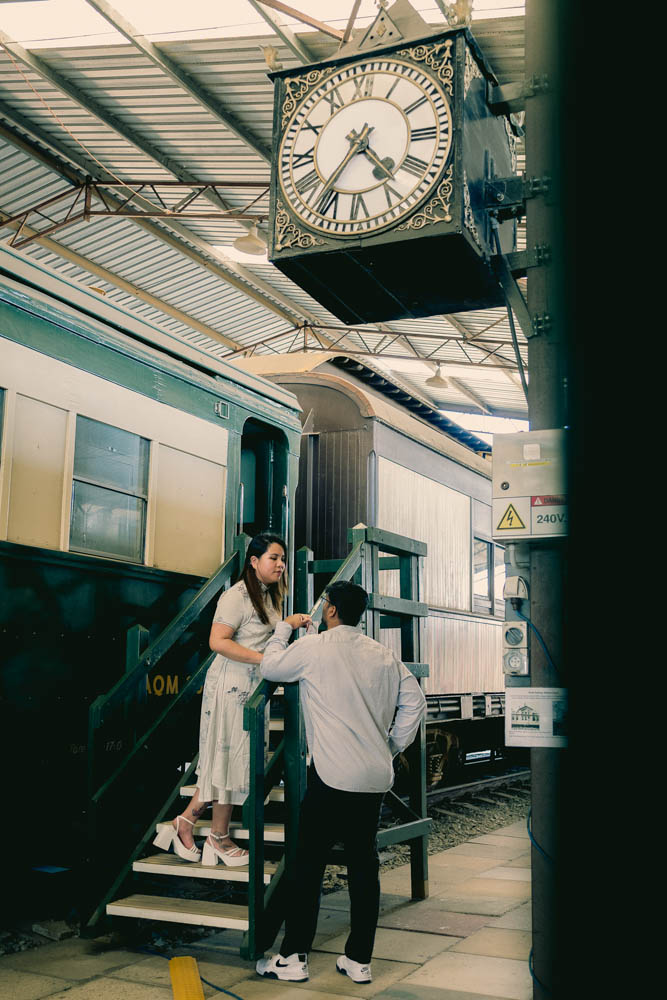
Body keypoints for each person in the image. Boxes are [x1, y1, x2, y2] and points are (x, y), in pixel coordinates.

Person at [255, 579, 427, 985]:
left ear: (330, 609)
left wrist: (283, 629)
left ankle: (294, 957)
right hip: (373, 777)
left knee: (307, 864)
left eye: (323, 603)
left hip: (332, 776)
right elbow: (414, 702)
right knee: (364, 866)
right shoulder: (383, 654)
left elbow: (270, 666)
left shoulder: (315, 648)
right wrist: (389, 746)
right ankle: (358, 960)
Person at [152, 532, 311, 867]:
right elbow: (217, 641)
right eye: (273, 558)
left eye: (283, 559)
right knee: (228, 758)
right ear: (253, 562)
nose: (281, 564)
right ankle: (214, 836)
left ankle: (191, 824)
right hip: (231, 687)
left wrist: (285, 628)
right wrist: (264, 661)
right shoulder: (237, 596)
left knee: (232, 760)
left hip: (250, 687)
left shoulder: (268, 596)